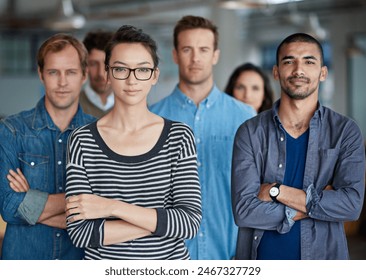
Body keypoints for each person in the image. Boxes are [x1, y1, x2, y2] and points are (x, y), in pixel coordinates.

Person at [64, 25, 202, 260]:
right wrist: (160, 223)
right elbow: (80, 232)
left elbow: (189, 223)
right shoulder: (81, 140)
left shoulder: (179, 137)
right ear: (107, 74)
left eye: (142, 70)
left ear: (155, 76)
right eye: (120, 69)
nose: (131, 80)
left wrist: (111, 208)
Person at [231, 33, 365, 260]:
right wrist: (318, 203)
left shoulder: (344, 132)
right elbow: (244, 212)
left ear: (323, 72)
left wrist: (277, 191)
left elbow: (350, 206)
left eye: (309, 61)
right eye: (289, 61)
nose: (298, 70)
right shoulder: (250, 132)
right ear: (276, 72)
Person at [150, 15, 256, 260]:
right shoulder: (151, 118)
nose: (195, 58)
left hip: (230, 256)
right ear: (175, 55)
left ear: (215, 55)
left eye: (203, 49)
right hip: (167, 256)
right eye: (187, 49)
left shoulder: (245, 117)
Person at [0, 33, 95, 259]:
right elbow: (9, 206)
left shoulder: (100, 134)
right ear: (41, 74)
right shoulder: (12, 130)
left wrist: (30, 198)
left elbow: (104, 215)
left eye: (70, 72)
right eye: (54, 72)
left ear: (84, 75)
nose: (62, 82)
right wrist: (83, 203)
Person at [79, 30, 114, 118]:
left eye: (107, 64)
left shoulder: (135, 107)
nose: (101, 73)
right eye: (93, 64)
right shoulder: (70, 107)